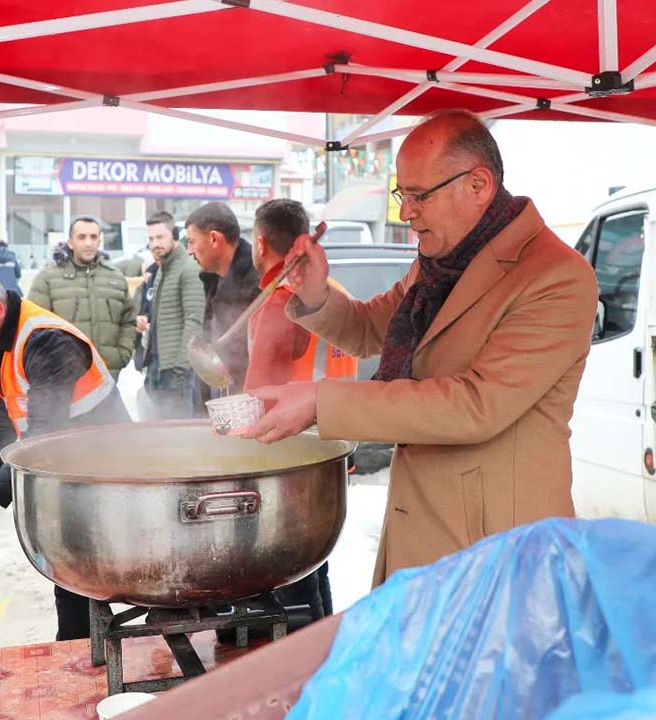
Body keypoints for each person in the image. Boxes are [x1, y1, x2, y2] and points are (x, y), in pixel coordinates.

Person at [239, 110, 598, 588]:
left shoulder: (555, 276)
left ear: (478, 184)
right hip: (427, 528)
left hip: (500, 550)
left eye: (418, 196)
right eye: (401, 194)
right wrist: (317, 294)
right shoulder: (439, 265)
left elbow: (476, 405)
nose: (406, 211)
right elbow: (370, 329)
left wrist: (321, 402)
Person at [0, 270, 129, 641]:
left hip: (109, 469)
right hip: (69, 470)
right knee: (70, 570)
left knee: (94, 569)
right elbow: (3, 414)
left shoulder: (46, 340)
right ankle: (77, 649)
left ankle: (85, 650)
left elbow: (44, 439)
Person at [243, 199, 359, 620]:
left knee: (290, 576)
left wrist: (224, 427)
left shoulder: (278, 301)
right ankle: (324, 649)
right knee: (316, 561)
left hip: (291, 452)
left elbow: (260, 393)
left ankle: (301, 667)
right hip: (336, 441)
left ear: (260, 243)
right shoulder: (331, 292)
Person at [29, 217, 138, 379]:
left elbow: (128, 321)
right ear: (70, 242)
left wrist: (121, 355)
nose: (88, 243)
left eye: (93, 237)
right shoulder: (48, 278)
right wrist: (51, 362)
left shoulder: (115, 277)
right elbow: (33, 326)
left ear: (99, 241)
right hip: (63, 379)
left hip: (107, 376)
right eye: (82, 237)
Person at [185, 202, 260, 398]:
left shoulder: (257, 283)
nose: (189, 251)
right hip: (221, 399)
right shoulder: (213, 280)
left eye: (192, 241)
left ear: (214, 239)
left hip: (247, 401)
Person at [140, 211, 205, 419]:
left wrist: (181, 370)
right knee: (159, 431)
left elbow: (194, 321)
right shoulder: (162, 270)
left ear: (174, 235)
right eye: (150, 238)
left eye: (160, 237)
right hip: (157, 366)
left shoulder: (189, 268)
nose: (154, 243)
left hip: (176, 369)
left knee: (179, 433)